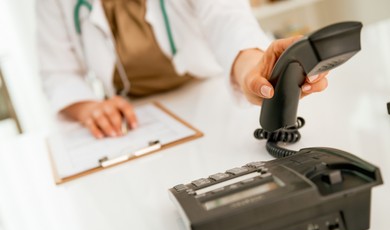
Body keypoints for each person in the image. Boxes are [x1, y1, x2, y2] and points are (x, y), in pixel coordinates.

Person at [37, 0, 328, 138]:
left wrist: (254, 70)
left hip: (212, 98)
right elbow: (58, 73)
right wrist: (89, 108)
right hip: (136, 120)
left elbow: (227, 20)